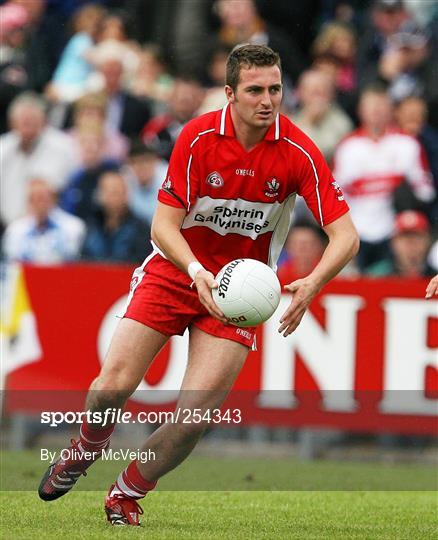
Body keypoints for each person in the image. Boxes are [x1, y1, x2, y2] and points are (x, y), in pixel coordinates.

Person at [38, 44, 359, 526]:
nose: (267, 100)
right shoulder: (197, 136)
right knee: (110, 388)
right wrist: (194, 270)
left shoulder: (298, 150)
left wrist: (312, 282)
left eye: (275, 89)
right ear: (230, 94)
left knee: (195, 417)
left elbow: (347, 237)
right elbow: (162, 227)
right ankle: (86, 446)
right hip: (177, 270)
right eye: (255, 90)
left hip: (239, 292)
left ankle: (125, 494)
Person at [332, 84, 435, 270]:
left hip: (395, 231)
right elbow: (334, 193)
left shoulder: (407, 143)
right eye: (371, 108)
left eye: (381, 107)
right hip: (357, 230)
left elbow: (425, 191)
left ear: (390, 110)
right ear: (361, 111)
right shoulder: (348, 147)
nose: (376, 113)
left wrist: (404, 195)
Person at [0, 91, 78, 227]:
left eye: (32, 120)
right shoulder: (3, 147)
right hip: (6, 227)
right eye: (23, 121)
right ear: (12, 124)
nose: (27, 126)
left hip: (50, 227)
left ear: (43, 121)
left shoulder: (62, 147)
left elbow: (61, 190)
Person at [2, 177, 85, 264]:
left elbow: (75, 261)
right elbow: (11, 265)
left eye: (41, 198)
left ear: (53, 198)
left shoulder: (73, 227)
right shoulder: (15, 230)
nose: (37, 203)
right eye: (32, 199)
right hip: (27, 276)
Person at [81, 170, 151, 264]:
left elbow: (141, 262)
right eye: (106, 192)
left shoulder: (141, 228)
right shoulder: (92, 226)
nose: (111, 197)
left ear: (126, 194)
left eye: (116, 192)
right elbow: (83, 260)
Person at [366, 210, 434, 277]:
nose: (411, 243)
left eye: (417, 237)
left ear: (427, 240)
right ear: (393, 242)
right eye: (405, 237)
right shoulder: (376, 276)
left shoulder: (435, 276)